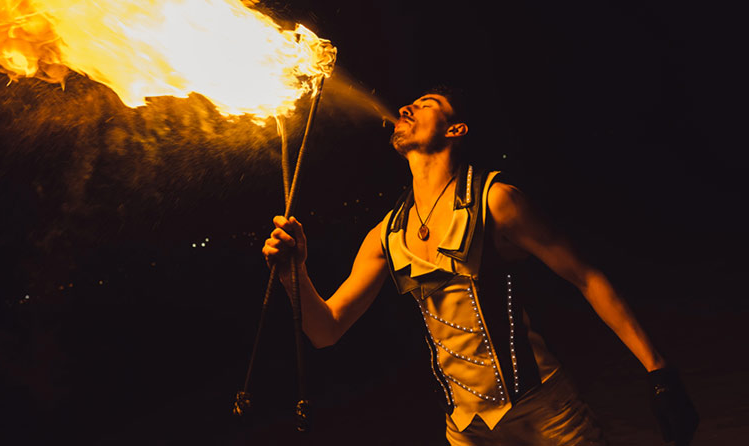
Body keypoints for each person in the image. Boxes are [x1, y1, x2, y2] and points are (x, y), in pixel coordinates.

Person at [262, 86, 698, 445]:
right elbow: (326, 330)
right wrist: (292, 273)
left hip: (547, 414)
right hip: (466, 431)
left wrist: (659, 370)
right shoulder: (386, 234)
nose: (407, 107)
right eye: (409, 104)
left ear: (456, 129)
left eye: (427, 104)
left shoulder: (497, 201)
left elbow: (586, 277)